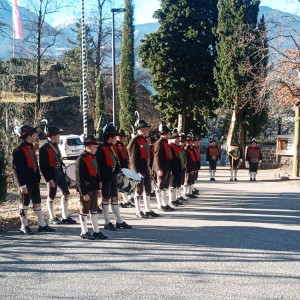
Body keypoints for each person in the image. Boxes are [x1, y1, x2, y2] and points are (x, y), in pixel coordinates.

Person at [12, 125, 55, 235]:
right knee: (24, 203)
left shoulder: (31, 147)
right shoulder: (18, 150)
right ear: (28, 136)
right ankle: (24, 225)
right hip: (25, 181)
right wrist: (22, 185)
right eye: (34, 134)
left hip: (34, 179)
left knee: (37, 202)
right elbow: (17, 169)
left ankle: (42, 224)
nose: (36, 136)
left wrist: (37, 177)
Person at [96, 123, 132, 230]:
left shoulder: (112, 147)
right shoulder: (101, 149)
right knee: (106, 198)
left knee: (115, 197)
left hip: (113, 176)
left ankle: (119, 221)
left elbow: (115, 161)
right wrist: (100, 180)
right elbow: (98, 166)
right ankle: (107, 222)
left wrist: (118, 172)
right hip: (105, 177)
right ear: (110, 137)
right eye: (114, 137)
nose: (116, 138)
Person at [39, 125, 77, 225]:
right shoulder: (44, 148)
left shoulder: (55, 146)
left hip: (59, 173)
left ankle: (65, 217)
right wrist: (48, 179)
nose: (59, 136)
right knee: (51, 196)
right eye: (57, 135)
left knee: (66, 193)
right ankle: (52, 217)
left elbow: (58, 159)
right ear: (52, 136)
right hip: (51, 175)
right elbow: (42, 166)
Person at [75, 135, 107, 240]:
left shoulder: (94, 157)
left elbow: (97, 171)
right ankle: (84, 232)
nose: (96, 148)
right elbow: (79, 178)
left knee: (94, 210)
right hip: (86, 189)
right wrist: (83, 193)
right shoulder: (81, 159)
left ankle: (96, 231)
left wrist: (100, 183)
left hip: (94, 187)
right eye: (95, 146)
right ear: (88, 146)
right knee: (84, 209)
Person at [127, 120, 159, 218]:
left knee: (148, 189)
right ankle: (138, 210)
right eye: (145, 129)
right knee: (139, 190)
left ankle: (148, 210)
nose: (147, 131)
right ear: (140, 130)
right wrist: (135, 171)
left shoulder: (143, 139)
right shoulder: (135, 140)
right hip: (138, 169)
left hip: (145, 167)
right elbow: (131, 155)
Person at [152, 123, 175, 211]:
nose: (170, 135)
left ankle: (165, 204)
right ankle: (159, 204)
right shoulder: (159, 143)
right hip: (162, 168)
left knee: (165, 187)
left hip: (167, 167)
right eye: (169, 133)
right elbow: (156, 157)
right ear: (165, 134)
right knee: (160, 186)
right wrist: (158, 169)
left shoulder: (165, 143)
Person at [115, 129, 133, 208]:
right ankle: (118, 201)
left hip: (125, 166)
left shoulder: (122, 145)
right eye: (122, 137)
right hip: (120, 167)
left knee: (123, 184)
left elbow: (125, 155)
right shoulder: (116, 145)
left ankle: (126, 201)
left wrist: (128, 161)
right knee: (119, 185)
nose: (123, 138)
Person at [169, 129, 185, 206]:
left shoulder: (179, 147)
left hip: (179, 168)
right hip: (174, 168)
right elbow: (171, 159)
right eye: (176, 138)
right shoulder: (171, 147)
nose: (178, 140)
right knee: (172, 185)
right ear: (172, 139)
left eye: (178, 139)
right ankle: (171, 200)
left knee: (177, 184)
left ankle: (175, 199)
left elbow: (182, 158)